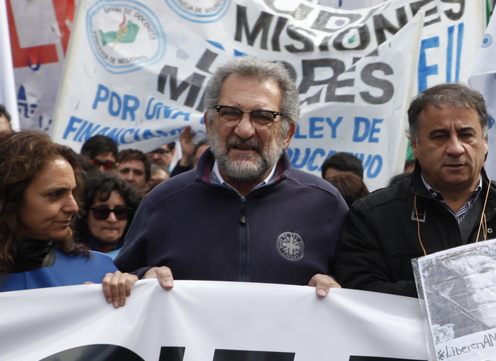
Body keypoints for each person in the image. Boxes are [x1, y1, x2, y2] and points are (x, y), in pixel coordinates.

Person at [107, 57, 346, 302]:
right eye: (230, 113)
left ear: (287, 134)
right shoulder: (161, 203)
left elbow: (360, 297)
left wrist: (338, 288)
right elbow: (119, 284)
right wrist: (141, 277)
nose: (244, 130)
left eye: (263, 117)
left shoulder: (325, 204)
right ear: (209, 124)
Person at [334, 84, 496, 303]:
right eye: (440, 136)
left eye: (466, 135)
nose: (456, 148)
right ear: (415, 145)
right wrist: (447, 288)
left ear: (485, 142)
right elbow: (357, 292)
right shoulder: (373, 215)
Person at [0, 132, 116, 292]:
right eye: (55, 194)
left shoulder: (101, 273)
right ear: (11, 198)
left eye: (73, 192)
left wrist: (136, 287)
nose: (73, 207)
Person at [74, 173, 139, 259]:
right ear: (85, 215)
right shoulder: (69, 253)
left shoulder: (141, 255)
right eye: (102, 211)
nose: (112, 219)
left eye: (120, 212)